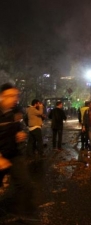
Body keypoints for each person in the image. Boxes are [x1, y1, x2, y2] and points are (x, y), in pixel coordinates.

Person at [0, 83, 39, 221]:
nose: (14, 99)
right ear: (1, 97)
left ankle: (23, 215)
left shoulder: (17, 111)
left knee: (25, 184)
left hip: (14, 154)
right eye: (10, 96)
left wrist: (20, 133)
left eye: (16, 96)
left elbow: (20, 127)